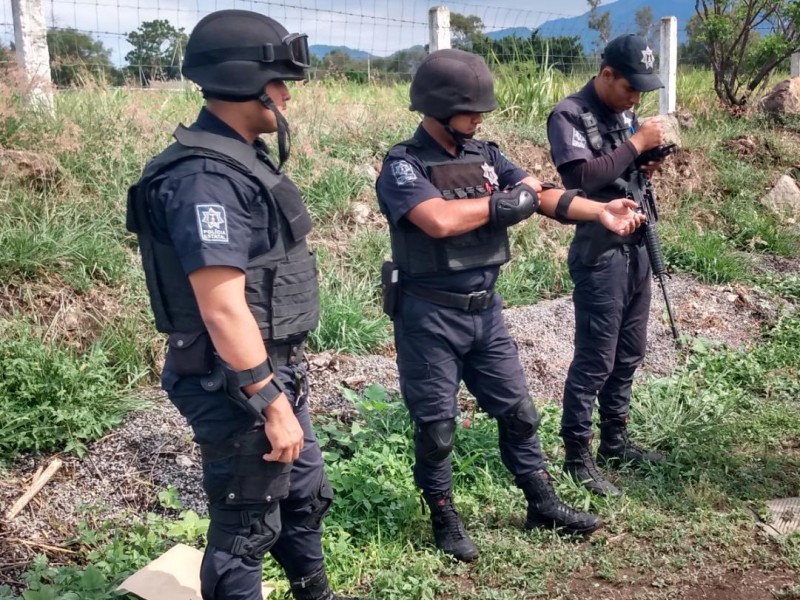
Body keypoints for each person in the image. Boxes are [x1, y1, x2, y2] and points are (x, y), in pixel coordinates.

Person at [375, 48, 645, 563]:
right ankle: (444, 516)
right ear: (436, 107)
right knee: (437, 428)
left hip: (485, 312)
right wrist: (504, 203)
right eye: (471, 111)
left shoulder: (487, 154)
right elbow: (438, 221)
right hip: (429, 315)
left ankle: (541, 502)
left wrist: (601, 212)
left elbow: (542, 194)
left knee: (519, 413)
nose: (479, 119)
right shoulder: (404, 165)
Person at [126, 10, 358, 600]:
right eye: (278, 81)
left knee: (303, 493)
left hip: (269, 370)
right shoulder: (205, 177)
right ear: (240, 81)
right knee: (245, 525)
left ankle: (314, 591)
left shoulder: (239, 157)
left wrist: (279, 390)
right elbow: (222, 306)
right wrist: (269, 400)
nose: (286, 94)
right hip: (232, 379)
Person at [546, 34, 669, 499]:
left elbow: (619, 169)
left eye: (641, 91)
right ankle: (577, 454)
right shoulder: (568, 115)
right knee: (596, 358)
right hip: (598, 252)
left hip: (636, 242)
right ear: (606, 74)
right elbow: (578, 178)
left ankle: (616, 441)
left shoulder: (623, 113)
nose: (634, 98)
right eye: (629, 88)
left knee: (630, 350)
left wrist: (645, 160)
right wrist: (637, 143)